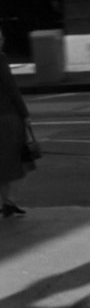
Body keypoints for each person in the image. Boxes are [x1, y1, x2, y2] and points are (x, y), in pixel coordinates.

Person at [0, 27, 33, 217]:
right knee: (10, 161)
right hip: (5, 117)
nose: (2, 40)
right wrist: (25, 114)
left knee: (3, 163)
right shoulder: (0, 59)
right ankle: (7, 202)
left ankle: (7, 202)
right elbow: (12, 89)